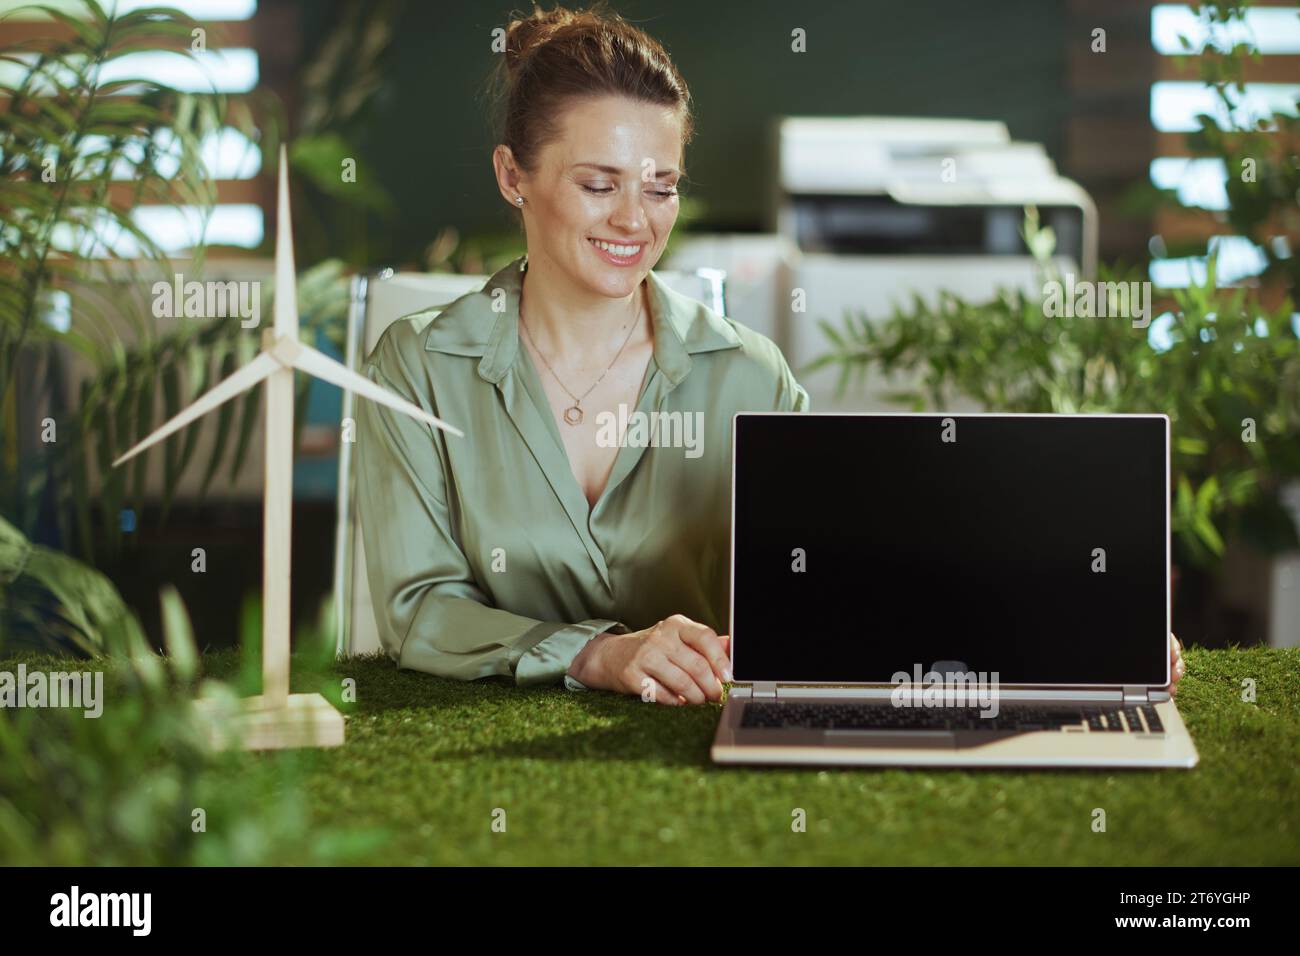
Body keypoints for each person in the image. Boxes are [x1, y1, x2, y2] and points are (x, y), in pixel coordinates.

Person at [355, 2, 1185, 705]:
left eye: (661, 186)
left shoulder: (749, 373)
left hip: (701, 748)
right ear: (513, 176)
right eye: (599, 184)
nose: (634, 222)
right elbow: (419, 609)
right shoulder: (418, 366)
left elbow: (844, 578)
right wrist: (593, 652)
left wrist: (1080, 627)